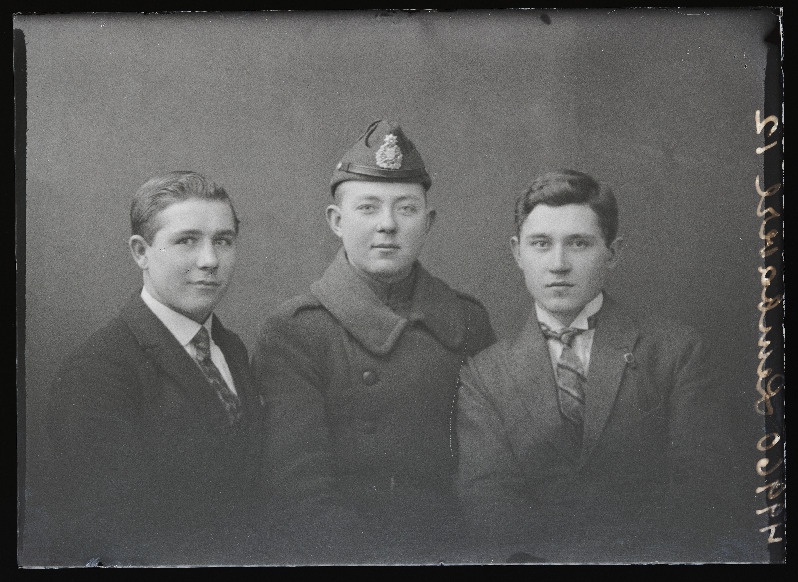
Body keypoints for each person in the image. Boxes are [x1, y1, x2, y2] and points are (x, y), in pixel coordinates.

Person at [456, 169, 737, 562]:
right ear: (518, 253)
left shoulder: (675, 353)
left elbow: (700, 492)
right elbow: (489, 503)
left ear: (612, 253)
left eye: (579, 244)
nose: (558, 264)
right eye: (541, 244)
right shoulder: (484, 375)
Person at [252, 120, 496, 563]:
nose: (388, 225)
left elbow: (493, 472)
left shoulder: (468, 321)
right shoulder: (295, 332)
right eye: (368, 208)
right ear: (336, 221)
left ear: (428, 222)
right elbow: (300, 495)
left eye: (406, 209)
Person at [46, 171, 266, 566]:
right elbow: (114, 534)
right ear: (140, 252)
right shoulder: (97, 372)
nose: (210, 260)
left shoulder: (230, 348)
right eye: (186, 241)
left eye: (223, 241)